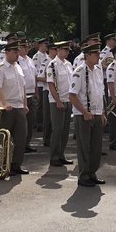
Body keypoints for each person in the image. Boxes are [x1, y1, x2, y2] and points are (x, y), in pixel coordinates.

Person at [0, 42, 29, 175]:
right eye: (14, 52)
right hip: (7, 107)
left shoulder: (18, 67)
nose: (17, 54)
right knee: (3, 138)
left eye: (18, 52)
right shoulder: (0, 68)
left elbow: (22, 87)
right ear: (6, 53)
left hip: (19, 106)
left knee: (21, 138)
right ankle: (0, 164)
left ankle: (16, 164)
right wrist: (3, 103)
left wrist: (25, 104)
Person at [69, 43, 106, 186]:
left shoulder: (97, 70)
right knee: (84, 146)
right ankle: (84, 176)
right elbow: (72, 96)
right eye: (96, 54)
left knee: (96, 146)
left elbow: (100, 92)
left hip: (96, 113)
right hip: (83, 114)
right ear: (88, 55)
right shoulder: (79, 71)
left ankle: (92, 173)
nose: (99, 57)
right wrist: (84, 112)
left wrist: (102, 113)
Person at [46, 40, 74, 168]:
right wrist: (57, 101)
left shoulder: (68, 64)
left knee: (65, 130)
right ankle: (54, 156)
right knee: (57, 129)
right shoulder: (52, 65)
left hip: (67, 99)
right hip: (57, 100)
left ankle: (61, 154)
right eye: (64, 50)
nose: (67, 52)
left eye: (68, 50)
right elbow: (51, 84)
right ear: (58, 51)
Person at [17, 40, 37, 152]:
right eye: (24, 47)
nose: (26, 49)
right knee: (22, 123)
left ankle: (27, 143)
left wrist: (36, 91)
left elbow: (33, 76)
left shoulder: (30, 60)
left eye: (27, 47)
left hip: (31, 93)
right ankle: (21, 144)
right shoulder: (18, 61)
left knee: (30, 121)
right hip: (22, 95)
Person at [32, 36, 50, 136]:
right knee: (40, 105)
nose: (46, 46)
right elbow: (36, 74)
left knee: (44, 106)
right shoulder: (36, 57)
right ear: (40, 45)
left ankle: (43, 122)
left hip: (46, 84)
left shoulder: (47, 57)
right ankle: (39, 123)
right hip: (40, 84)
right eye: (45, 44)